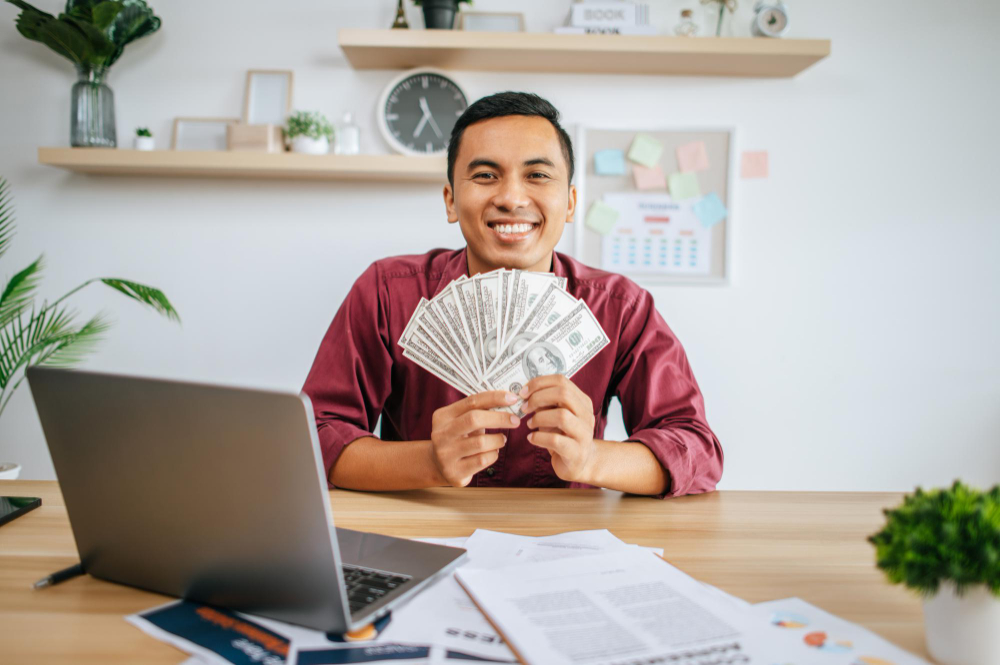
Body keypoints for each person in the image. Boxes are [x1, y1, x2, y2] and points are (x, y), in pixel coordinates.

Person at [302, 92, 723, 498]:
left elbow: (696, 449)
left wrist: (592, 459)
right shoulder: (386, 292)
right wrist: (429, 460)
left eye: (537, 175)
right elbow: (315, 436)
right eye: (485, 176)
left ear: (571, 202)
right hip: (425, 534)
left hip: (566, 543)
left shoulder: (621, 308)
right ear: (450, 200)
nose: (511, 198)